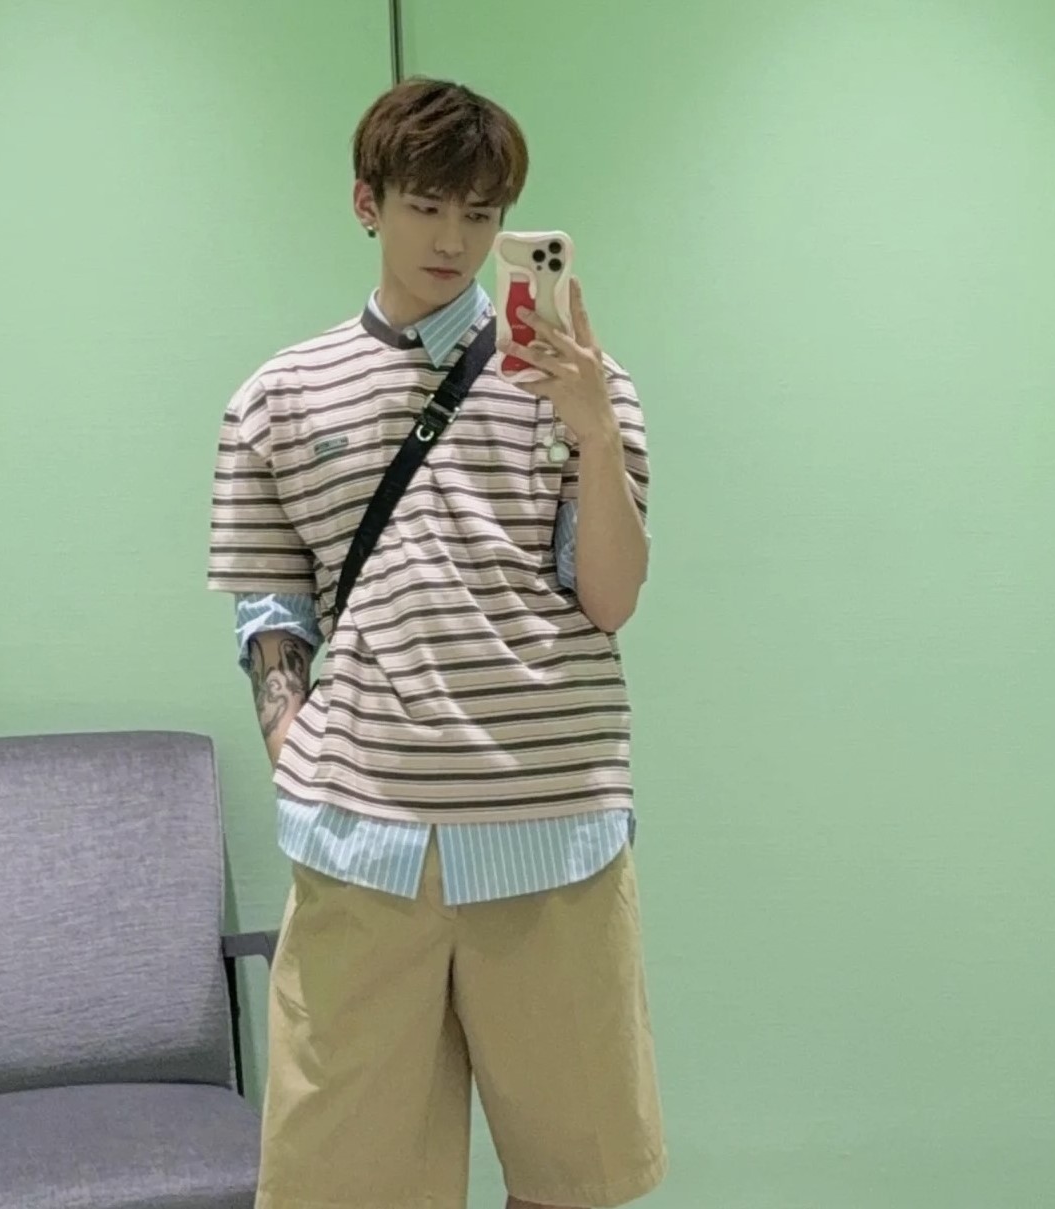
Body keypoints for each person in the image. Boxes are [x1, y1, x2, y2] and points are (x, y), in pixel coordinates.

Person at [208, 75, 668, 1209]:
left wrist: (592, 433)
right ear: (367, 203)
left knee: (571, 1181)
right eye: (425, 206)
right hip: (363, 848)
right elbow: (271, 608)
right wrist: (293, 746)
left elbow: (610, 598)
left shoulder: (587, 388)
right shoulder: (278, 397)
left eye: (479, 213)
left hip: (551, 835)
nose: (453, 240)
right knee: (347, 1188)